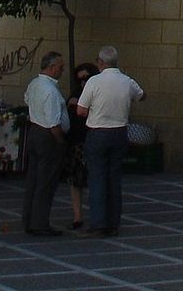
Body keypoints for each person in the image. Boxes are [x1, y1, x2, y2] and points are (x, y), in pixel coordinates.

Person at [77, 45, 146, 238]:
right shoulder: (126, 81)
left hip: (98, 132)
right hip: (119, 132)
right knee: (114, 178)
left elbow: (81, 110)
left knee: (97, 177)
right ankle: (113, 223)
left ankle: (98, 223)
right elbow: (142, 95)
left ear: (100, 62)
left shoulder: (94, 81)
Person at [23, 50, 69, 236]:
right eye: (60, 66)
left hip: (35, 130)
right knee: (45, 182)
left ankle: (29, 219)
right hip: (47, 135)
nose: (62, 69)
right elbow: (53, 123)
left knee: (33, 179)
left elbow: (26, 99)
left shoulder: (35, 84)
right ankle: (40, 222)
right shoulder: (50, 90)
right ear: (51, 68)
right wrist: (61, 142)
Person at [62, 61, 99, 229]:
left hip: (91, 139)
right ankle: (77, 217)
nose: (83, 82)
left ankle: (96, 215)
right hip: (76, 141)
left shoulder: (97, 92)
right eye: (80, 79)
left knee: (93, 180)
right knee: (75, 181)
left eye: (86, 78)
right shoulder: (76, 92)